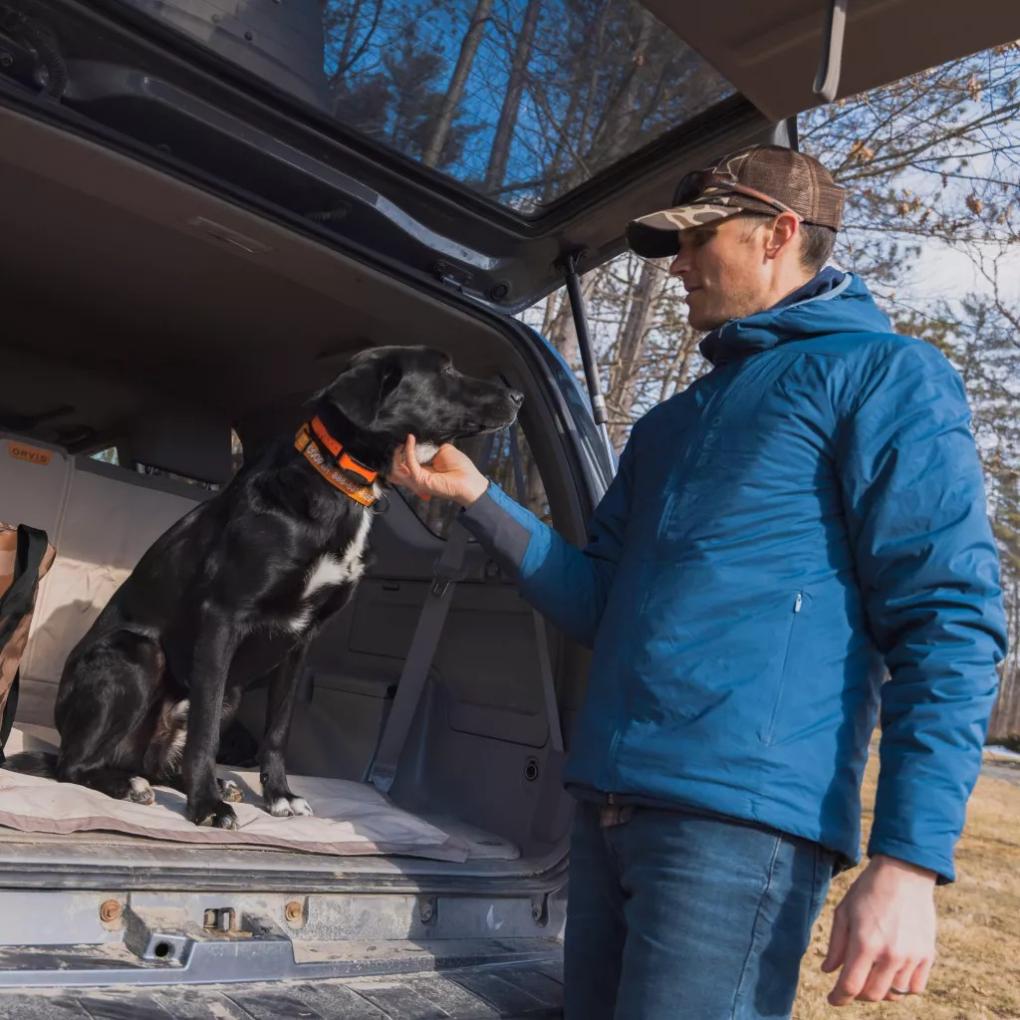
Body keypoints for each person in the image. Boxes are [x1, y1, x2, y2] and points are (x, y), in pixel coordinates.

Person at [390, 145, 1007, 1019]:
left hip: (737, 831)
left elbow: (949, 619)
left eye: (697, 240)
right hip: (606, 808)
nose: (677, 266)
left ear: (778, 236)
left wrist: (908, 862)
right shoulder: (671, 425)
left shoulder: (887, 377)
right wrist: (482, 501)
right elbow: (598, 603)